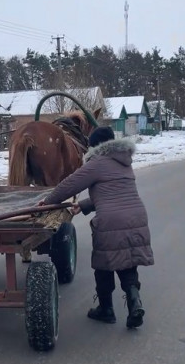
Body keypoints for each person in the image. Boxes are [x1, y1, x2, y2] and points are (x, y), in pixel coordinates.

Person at [38, 127, 153, 329]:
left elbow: (69, 185)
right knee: (127, 261)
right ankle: (134, 301)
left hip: (112, 220)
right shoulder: (124, 161)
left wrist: (47, 202)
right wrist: (82, 206)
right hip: (136, 216)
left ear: (95, 146)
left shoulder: (97, 162)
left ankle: (106, 309)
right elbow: (111, 193)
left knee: (104, 264)